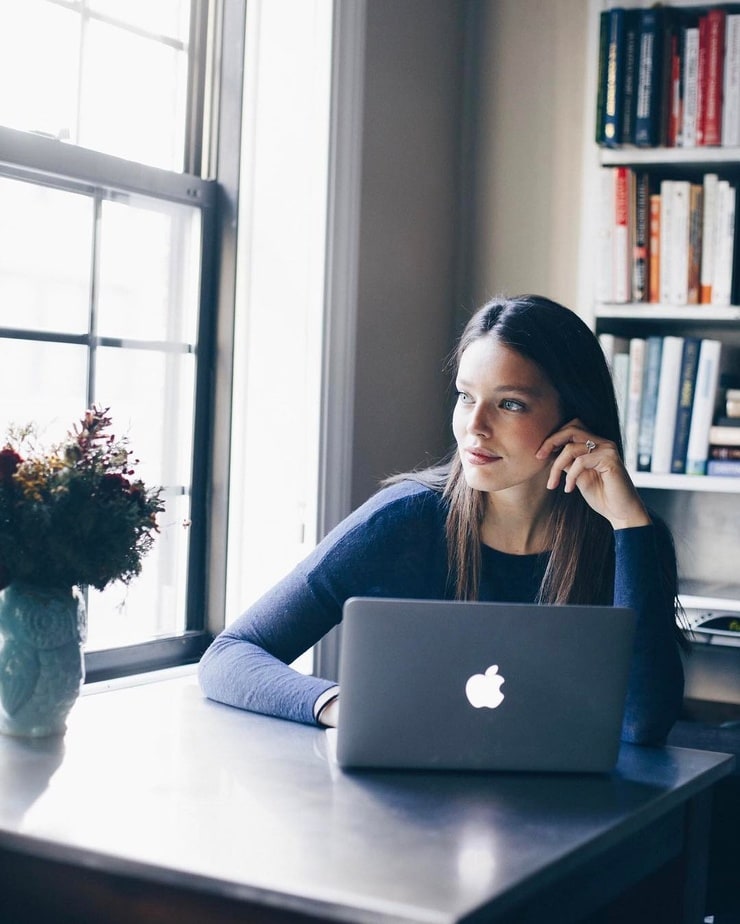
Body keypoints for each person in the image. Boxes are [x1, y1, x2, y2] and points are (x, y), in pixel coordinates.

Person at [199, 294, 685, 743]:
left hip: (563, 814)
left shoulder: (631, 538)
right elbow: (231, 655)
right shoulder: (403, 520)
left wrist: (628, 525)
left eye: (510, 404)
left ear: (574, 418)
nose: (474, 427)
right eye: (466, 396)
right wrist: (339, 704)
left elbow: (642, 723)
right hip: (406, 809)